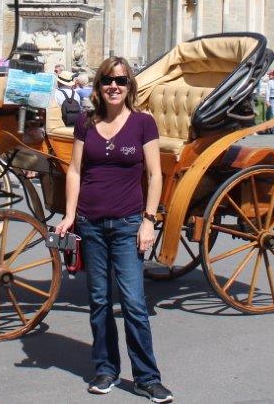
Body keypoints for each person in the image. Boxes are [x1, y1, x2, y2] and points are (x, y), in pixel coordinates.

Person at [54, 57, 171, 403]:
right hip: (90, 223)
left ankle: (147, 378)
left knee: (134, 303)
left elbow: (155, 174)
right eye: (107, 80)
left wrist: (149, 219)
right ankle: (105, 368)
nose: (114, 86)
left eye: (120, 80)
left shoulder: (143, 124)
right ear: (98, 86)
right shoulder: (85, 123)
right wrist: (70, 216)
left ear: (129, 85)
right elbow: (75, 171)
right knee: (99, 301)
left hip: (127, 224)